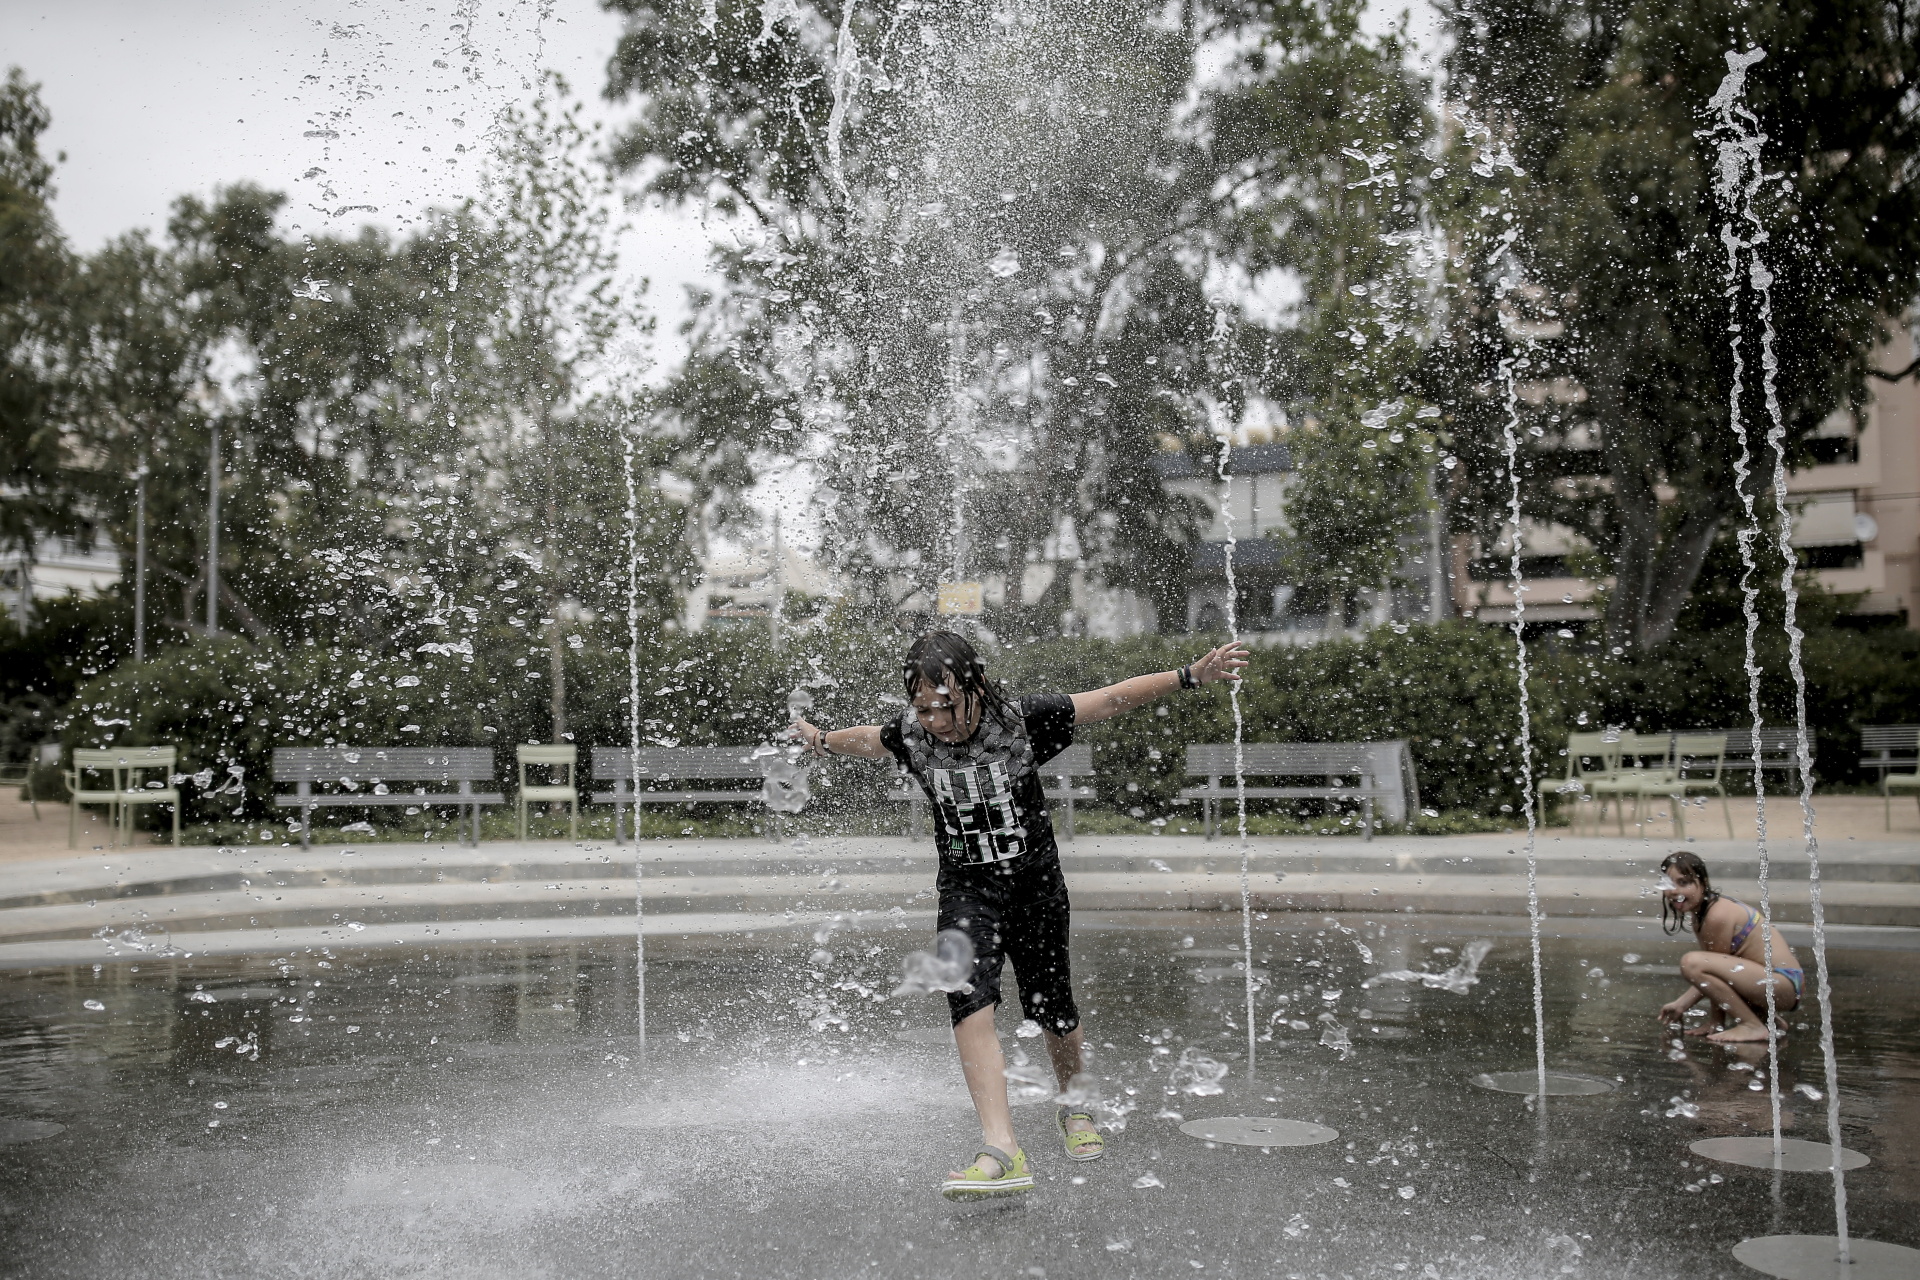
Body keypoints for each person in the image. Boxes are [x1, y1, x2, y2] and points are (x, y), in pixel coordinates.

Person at [793, 629, 1249, 1200]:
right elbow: (867, 739)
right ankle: (1001, 1147)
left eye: (946, 705)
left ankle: (1075, 1108)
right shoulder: (911, 734)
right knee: (966, 997)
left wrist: (1188, 675)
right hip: (966, 889)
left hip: (1034, 887)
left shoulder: (1020, 720)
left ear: (975, 687)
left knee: (1052, 1003)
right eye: (922, 708)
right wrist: (820, 739)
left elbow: (1107, 699)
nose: (935, 719)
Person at [1655, 850, 1803, 1043]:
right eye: (1669, 884)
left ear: (1704, 883)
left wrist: (1713, 1021)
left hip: (1783, 983)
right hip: (1774, 983)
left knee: (1691, 963)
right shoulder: (1702, 913)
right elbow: (1717, 972)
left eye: (1684, 883)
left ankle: (1752, 1026)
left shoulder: (1717, 915)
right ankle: (1766, 1021)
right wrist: (1698, 1015)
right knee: (1700, 964)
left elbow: (1711, 974)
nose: (1674, 891)